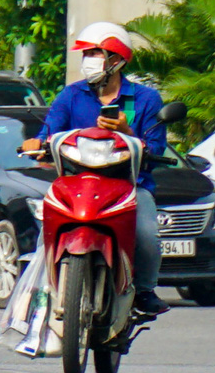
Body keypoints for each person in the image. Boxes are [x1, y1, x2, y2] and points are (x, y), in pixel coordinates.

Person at [20, 21, 170, 316]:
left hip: (129, 186)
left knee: (147, 233)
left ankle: (144, 290)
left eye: (94, 53)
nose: (88, 60)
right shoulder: (71, 95)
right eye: (86, 54)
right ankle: (43, 287)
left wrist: (127, 131)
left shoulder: (145, 99)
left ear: (116, 60)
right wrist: (35, 144)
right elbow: (49, 131)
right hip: (76, 184)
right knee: (46, 230)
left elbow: (156, 147)